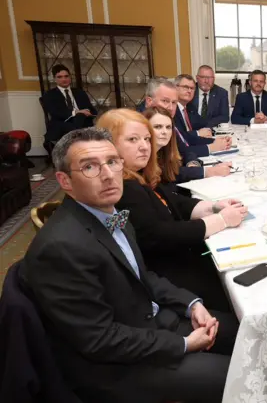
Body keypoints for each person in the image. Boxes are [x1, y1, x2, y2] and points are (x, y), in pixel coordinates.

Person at [19, 127, 239, 403]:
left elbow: (141, 275)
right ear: (64, 180)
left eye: (112, 161)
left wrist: (191, 303)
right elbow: (99, 339)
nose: (109, 174)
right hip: (117, 367)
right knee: (243, 377)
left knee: (246, 329)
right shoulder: (61, 248)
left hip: (147, 325)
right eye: (90, 167)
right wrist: (182, 344)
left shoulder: (110, 213)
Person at [97, 108, 247, 310]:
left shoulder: (136, 174)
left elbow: (172, 202)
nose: (144, 147)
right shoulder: (124, 188)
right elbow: (158, 235)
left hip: (174, 259)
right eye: (133, 140)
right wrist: (220, 221)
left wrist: (212, 207)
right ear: (109, 146)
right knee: (235, 288)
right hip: (165, 274)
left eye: (146, 139)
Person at [144, 77, 232, 180]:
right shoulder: (141, 128)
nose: (170, 108)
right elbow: (163, 173)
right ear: (149, 101)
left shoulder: (168, 122)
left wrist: (193, 163)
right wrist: (206, 171)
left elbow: (184, 149)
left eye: (174, 103)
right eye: (165, 101)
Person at [42, 64, 98, 143]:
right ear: (54, 79)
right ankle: (78, 139)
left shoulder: (80, 92)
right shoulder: (50, 95)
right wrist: (76, 112)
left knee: (80, 117)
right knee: (78, 118)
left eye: (66, 76)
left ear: (70, 77)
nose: (64, 79)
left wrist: (86, 111)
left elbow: (91, 109)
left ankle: (76, 139)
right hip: (62, 124)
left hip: (82, 122)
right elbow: (56, 113)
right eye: (60, 77)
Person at [175, 73, 219, 142]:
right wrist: (198, 133)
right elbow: (178, 136)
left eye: (192, 88)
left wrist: (209, 131)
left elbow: (203, 123)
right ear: (175, 88)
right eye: (185, 87)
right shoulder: (172, 109)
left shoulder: (189, 107)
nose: (189, 91)